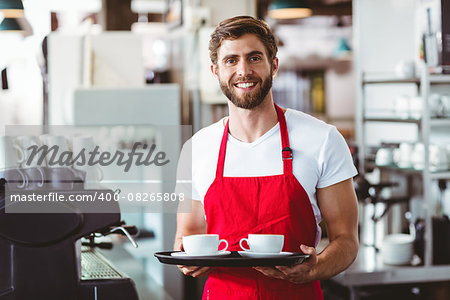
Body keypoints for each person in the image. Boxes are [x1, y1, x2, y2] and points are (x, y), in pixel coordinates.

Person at [174, 15, 358, 300]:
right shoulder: (197, 148)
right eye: (231, 60)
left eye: (254, 57)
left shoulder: (323, 139)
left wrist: (316, 267)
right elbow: (187, 237)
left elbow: (346, 241)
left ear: (274, 65)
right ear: (215, 71)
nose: (243, 70)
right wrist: (189, 260)